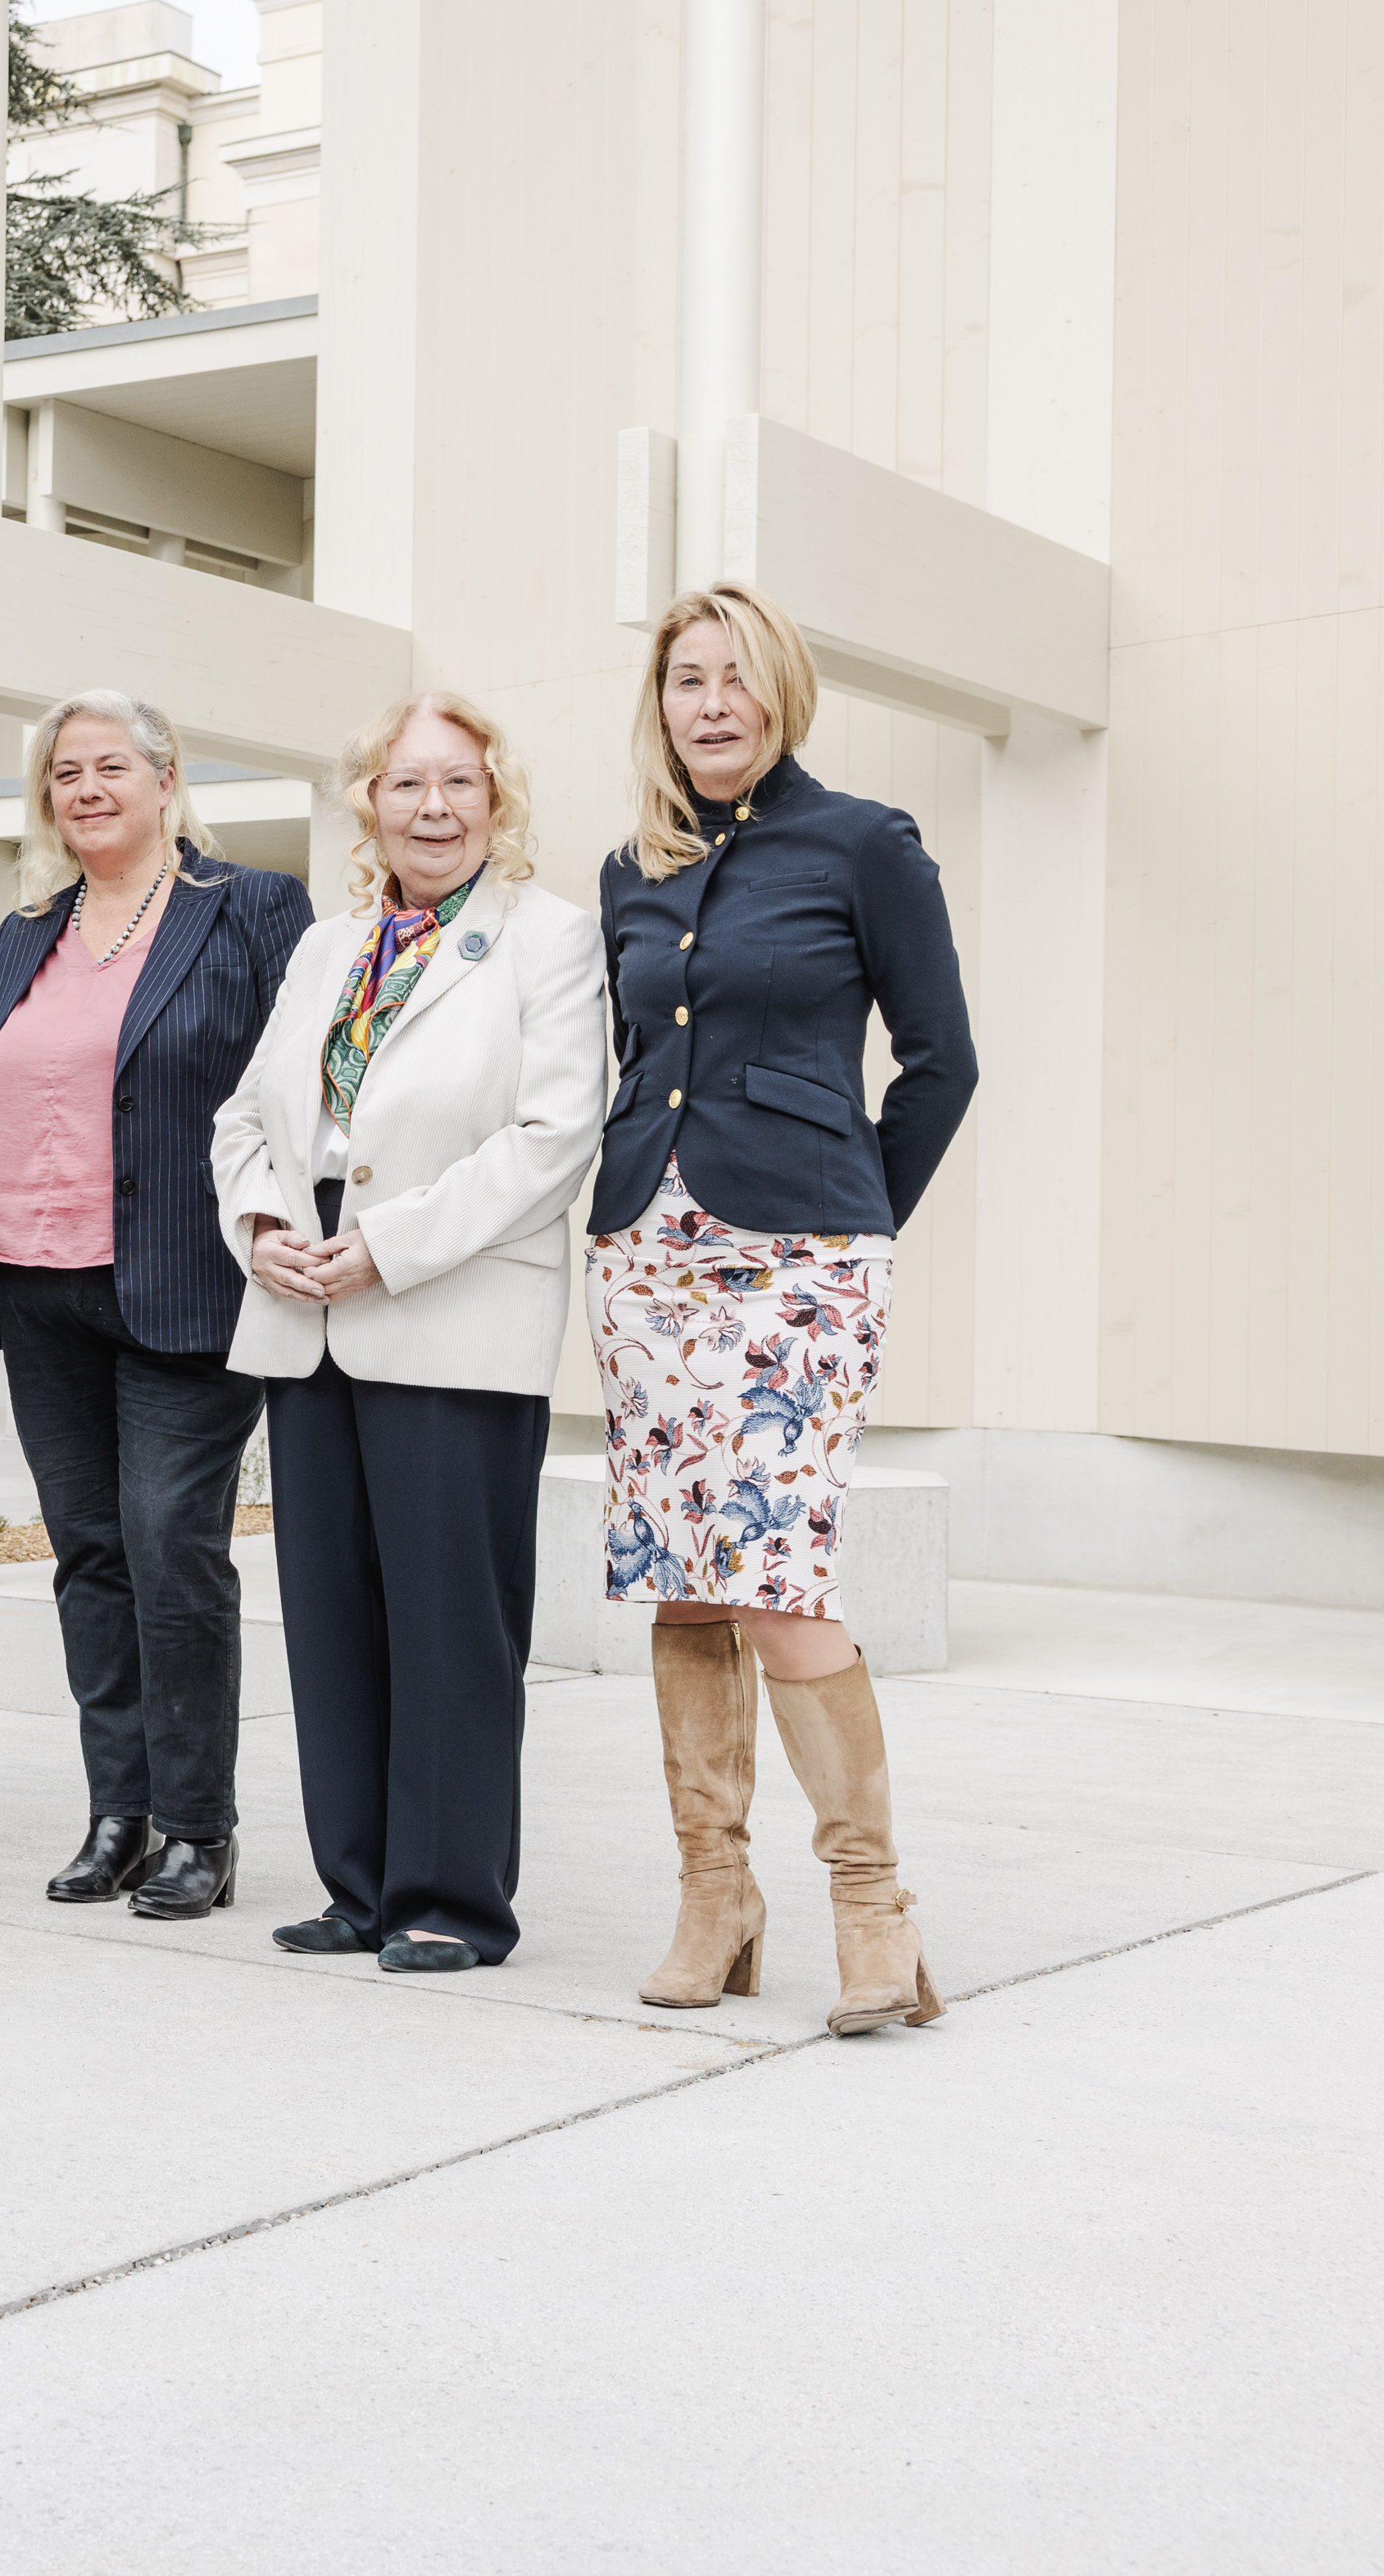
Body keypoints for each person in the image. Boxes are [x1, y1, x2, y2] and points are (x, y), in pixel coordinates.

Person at [592, 584, 975, 2036]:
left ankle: (873, 1911)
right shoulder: (633, 866)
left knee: (777, 1574)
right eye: (686, 680)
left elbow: (941, 1061)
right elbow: (632, 1053)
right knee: (685, 1575)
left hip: (801, 1260)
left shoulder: (863, 844)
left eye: (735, 679)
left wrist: (854, 1215)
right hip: (646, 1253)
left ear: (782, 694)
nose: (709, 705)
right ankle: (715, 1896)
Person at [211, 692, 610, 1971]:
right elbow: (245, 1118)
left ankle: (451, 1900)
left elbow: (554, 1139)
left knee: (451, 1622)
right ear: (365, 805)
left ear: (499, 803)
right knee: (330, 1615)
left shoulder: (550, 941)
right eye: (404, 786)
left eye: (458, 785)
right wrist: (262, 1222)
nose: (431, 809)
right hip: (303, 1303)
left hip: (443, 1303)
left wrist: (387, 1244)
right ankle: (360, 1884)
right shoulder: (327, 948)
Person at [0, 692, 311, 1918]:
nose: (86, 788)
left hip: (184, 1287)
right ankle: (119, 1816)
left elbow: (295, 1090)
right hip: (37, 1290)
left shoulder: (246, 911)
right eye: (65, 773)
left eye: (110, 767)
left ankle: (199, 1827)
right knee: (87, 1556)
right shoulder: (24, 932)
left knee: (170, 1548)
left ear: (165, 778)